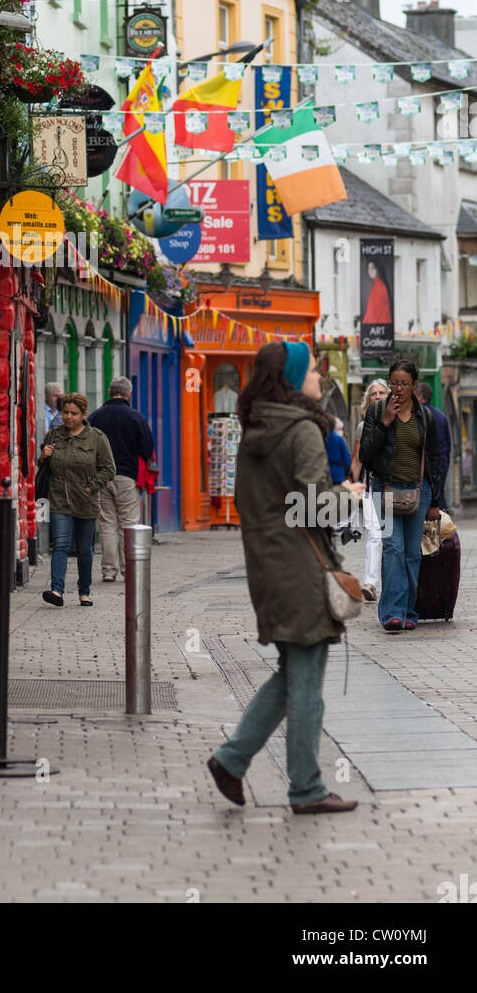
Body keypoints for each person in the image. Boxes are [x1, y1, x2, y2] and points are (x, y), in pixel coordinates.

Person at [206, 340, 364, 815]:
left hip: (268, 568)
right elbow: (315, 504)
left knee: (292, 673)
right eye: (313, 371)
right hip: (301, 570)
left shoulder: (256, 430)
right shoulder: (302, 431)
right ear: (294, 380)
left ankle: (231, 760)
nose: (319, 378)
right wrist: (349, 495)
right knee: (308, 685)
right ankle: (307, 789)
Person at [359, 360, 442, 633]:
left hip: (419, 492)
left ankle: (408, 611)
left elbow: (433, 460)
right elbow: (365, 454)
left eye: (404, 383)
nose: (397, 389)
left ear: (414, 385)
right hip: (385, 489)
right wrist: (384, 423)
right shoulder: (377, 410)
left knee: (411, 554)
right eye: (393, 382)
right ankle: (392, 613)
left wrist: (436, 503)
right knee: (393, 550)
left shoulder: (425, 416)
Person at [38, 393, 116, 608]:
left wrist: (90, 486)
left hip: (86, 500)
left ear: (84, 415)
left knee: (84, 550)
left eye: (74, 413)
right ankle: (56, 590)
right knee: (61, 545)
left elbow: (109, 469)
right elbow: (43, 468)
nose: (69, 417)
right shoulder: (53, 435)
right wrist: (43, 456)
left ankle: (84, 591)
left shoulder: (97, 437)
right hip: (59, 500)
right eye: (65, 413)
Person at [89, 376, 156, 582]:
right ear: (128, 394)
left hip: (101, 476)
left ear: (110, 392)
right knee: (128, 524)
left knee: (106, 523)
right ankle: (129, 570)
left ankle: (109, 571)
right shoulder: (136, 417)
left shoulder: (95, 416)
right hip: (127, 476)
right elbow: (147, 448)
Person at [350, 380, 390, 603]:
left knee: (392, 538)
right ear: (368, 400)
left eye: (381, 392)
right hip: (370, 486)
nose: (377, 396)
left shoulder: (399, 423)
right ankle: (370, 583)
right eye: (373, 394)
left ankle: (393, 585)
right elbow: (356, 459)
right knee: (374, 535)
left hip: (395, 487)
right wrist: (353, 486)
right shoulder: (362, 427)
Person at [415, 382, 451, 510]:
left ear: (419, 396)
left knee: (429, 499)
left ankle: (443, 527)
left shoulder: (417, 415)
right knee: (439, 495)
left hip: (424, 468)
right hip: (441, 464)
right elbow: (448, 445)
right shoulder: (441, 416)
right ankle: (445, 524)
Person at [362, 260, 393, 326]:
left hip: (378, 326)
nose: (370, 271)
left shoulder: (379, 287)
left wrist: (364, 326)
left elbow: (373, 314)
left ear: (378, 270)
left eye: (372, 268)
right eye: (368, 268)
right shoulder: (380, 285)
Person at [325, 417, 350, 484]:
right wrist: (347, 473)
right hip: (338, 476)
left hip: (324, 475)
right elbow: (346, 459)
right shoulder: (339, 440)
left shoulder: (320, 438)